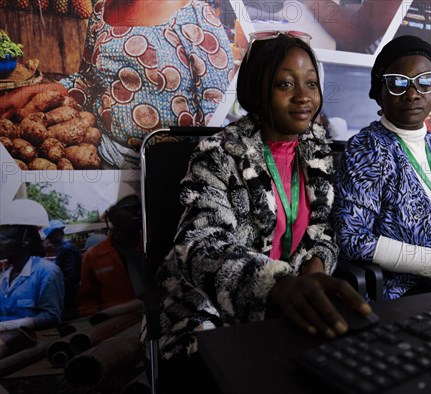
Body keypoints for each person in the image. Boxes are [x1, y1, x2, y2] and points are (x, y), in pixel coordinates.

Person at [152, 32, 370, 393]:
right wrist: (275, 286)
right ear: (258, 89)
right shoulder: (218, 153)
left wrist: (313, 273)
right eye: (286, 84)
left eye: (311, 83)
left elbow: (323, 231)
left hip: (287, 308)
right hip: (208, 309)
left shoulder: (317, 151)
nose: (304, 97)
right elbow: (202, 243)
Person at [0, 0, 234, 169]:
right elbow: (88, 82)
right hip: (104, 159)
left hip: (173, 169)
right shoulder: (102, 10)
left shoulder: (196, 16)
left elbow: (217, 113)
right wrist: (35, 91)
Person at [333, 35, 431, 299]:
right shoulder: (368, 148)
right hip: (400, 292)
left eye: (425, 82)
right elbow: (353, 238)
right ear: (379, 91)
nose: (412, 94)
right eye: (398, 83)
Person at [0, 201, 64, 331]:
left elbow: (52, 316)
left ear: (25, 241)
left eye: (4, 239)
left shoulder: (47, 272)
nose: (0, 244)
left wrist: (8, 326)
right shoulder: (5, 276)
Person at [78, 195, 143, 316]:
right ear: (113, 215)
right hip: (115, 326)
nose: (139, 213)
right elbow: (87, 302)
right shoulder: (94, 256)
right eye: (131, 209)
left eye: (140, 208)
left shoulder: (152, 247)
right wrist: (97, 321)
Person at [43, 220, 82, 321]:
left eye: (51, 237)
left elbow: (70, 275)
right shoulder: (64, 248)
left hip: (69, 292)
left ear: (57, 235)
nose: (50, 241)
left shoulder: (66, 248)